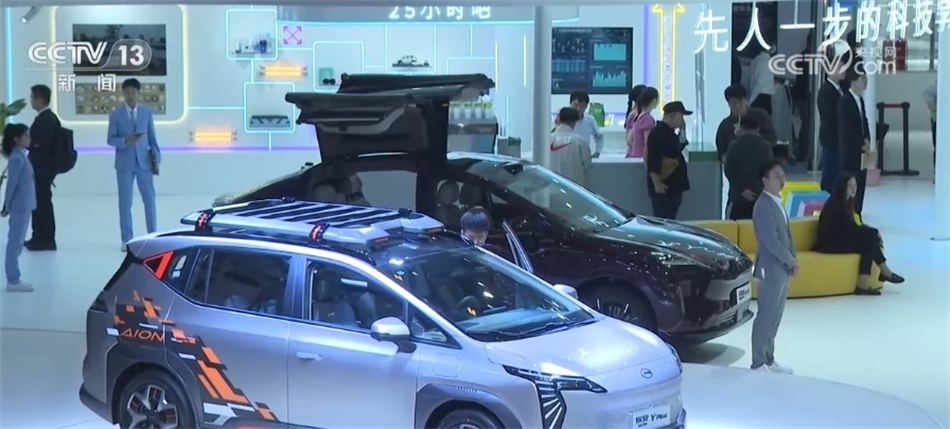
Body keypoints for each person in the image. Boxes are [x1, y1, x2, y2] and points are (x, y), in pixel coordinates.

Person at [813, 173, 905, 295]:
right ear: (843, 187)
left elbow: (851, 227)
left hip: (840, 239)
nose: (854, 189)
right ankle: (882, 273)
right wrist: (874, 232)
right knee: (870, 239)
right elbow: (849, 228)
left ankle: (868, 281)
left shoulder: (846, 202)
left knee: (869, 241)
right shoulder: (835, 204)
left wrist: (871, 232)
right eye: (850, 186)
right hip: (829, 244)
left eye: (855, 185)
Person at [750, 159, 795, 374]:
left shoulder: (778, 202)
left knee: (775, 317)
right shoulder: (762, 206)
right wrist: (791, 260)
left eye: (783, 175)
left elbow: (786, 236)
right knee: (766, 316)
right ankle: (758, 362)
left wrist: (791, 260)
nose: (781, 180)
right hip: (769, 268)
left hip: (781, 269)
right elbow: (771, 241)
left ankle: (768, 358)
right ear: (765, 180)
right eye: (777, 176)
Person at [107, 78, 161, 250]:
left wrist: (157, 158)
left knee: (149, 201)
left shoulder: (146, 112)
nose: (130, 95)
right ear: (123, 93)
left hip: (144, 162)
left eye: (133, 92)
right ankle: (127, 239)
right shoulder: (115, 114)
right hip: (124, 164)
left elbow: (152, 137)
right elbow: (110, 139)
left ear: (138, 93)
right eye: (127, 92)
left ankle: (153, 235)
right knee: (125, 203)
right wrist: (125, 141)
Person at [2, 123, 37, 292]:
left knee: (18, 241)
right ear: (17, 139)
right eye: (26, 135)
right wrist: (6, 205)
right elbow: (12, 184)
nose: (29, 138)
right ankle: (12, 279)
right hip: (19, 205)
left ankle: (14, 277)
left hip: (24, 204)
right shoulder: (17, 158)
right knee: (15, 242)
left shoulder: (21, 155)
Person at [26, 84, 61, 251]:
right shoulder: (47, 118)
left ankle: (44, 239)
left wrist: (29, 144)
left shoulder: (45, 120)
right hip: (42, 168)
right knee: (41, 203)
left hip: (41, 169)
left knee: (42, 204)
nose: (31, 101)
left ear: (40, 99)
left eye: (32, 98)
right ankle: (39, 237)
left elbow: (39, 144)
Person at [645, 101, 692, 219]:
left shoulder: (670, 133)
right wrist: (657, 184)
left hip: (673, 187)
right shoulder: (658, 133)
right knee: (664, 220)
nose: (682, 120)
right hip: (665, 188)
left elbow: (678, 148)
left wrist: (682, 131)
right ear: (672, 115)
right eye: (681, 116)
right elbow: (652, 160)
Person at [724, 116, 774, 220]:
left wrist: (742, 190)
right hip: (760, 198)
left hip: (738, 199)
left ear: (742, 128)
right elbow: (769, 171)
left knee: (736, 228)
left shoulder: (734, 146)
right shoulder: (766, 147)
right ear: (758, 129)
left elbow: (729, 170)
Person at [837, 70, 870, 215]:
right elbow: (847, 129)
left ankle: (858, 212)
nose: (866, 82)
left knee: (861, 183)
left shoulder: (860, 100)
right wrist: (860, 143)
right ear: (854, 81)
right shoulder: (845, 102)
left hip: (861, 151)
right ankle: (848, 213)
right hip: (850, 151)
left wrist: (867, 139)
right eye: (863, 79)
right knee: (850, 183)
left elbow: (864, 122)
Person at [715, 84, 777, 161]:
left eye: (740, 102)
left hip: (760, 161)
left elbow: (772, 139)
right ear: (729, 104)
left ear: (745, 100)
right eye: (733, 103)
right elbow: (721, 150)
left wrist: (751, 136)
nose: (737, 106)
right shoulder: (725, 125)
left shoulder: (761, 116)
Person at [817, 60, 847, 191]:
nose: (843, 70)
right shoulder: (826, 90)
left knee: (839, 171)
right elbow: (828, 116)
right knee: (830, 171)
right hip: (831, 138)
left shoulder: (842, 89)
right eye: (840, 67)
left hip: (841, 139)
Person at [549, 107, 592, 187]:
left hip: (550, 186)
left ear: (558, 119)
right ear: (574, 122)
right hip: (573, 189)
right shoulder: (580, 141)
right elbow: (586, 165)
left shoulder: (547, 140)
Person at [568, 91, 605, 158]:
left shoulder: (590, 120)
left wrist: (597, 152)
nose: (578, 109)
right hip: (566, 156)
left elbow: (599, 137)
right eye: (576, 105)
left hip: (584, 156)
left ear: (586, 106)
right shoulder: (562, 119)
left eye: (582, 106)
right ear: (570, 104)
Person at [625, 87, 658, 158]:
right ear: (654, 100)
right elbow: (647, 143)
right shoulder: (645, 118)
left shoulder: (639, 116)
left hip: (635, 155)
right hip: (641, 157)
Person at [745, 45, 776, 115]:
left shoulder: (755, 60)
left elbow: (751, 81)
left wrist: (750, 99)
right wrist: (750, 101)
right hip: (763, 99)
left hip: (755, 96)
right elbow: (760, 83)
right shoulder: (766, 61)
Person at [923, 78, 937, 168]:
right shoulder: (938, 86)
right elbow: (926, 94)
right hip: (938, 120)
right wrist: (934, 109)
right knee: (938, 147)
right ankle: (937, 170)